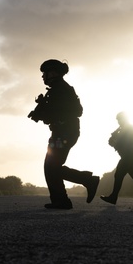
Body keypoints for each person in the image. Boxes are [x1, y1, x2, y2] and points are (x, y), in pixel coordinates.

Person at [27, 59, 100, 209]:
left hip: (64, 134)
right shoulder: (58, 90)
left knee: (51, 167)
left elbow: (74, 111)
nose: (43, 77)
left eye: (44, 73)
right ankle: (62, 199)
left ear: (53, 73)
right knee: (51, 167)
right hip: (62, 134)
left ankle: (84, 182)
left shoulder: (62, 90)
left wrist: (43, 114)